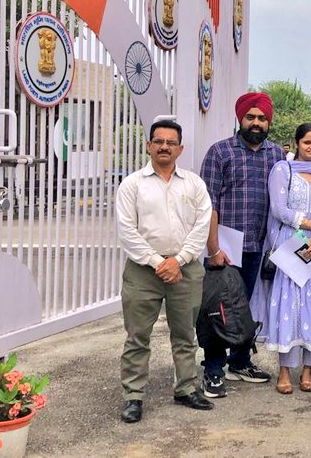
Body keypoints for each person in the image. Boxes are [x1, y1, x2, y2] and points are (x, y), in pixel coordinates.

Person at [116, 119, 214, 423]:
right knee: (137, 336)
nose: (164, 147)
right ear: (148, 145)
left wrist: (179, 259)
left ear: (180, 148)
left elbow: (202, 224)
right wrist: (160, 262)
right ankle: (133, 396)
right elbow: (126, 230)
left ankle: (185, 387)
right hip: (144, 271)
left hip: (185, 269)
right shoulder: (133, 184)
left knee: (185, 334)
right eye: (158, 141)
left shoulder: (194, 184)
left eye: (171, 143)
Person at [200, 92, 285, 398]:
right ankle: (212, 368)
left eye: (262, 118)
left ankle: (239, 361)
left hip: (258, 247)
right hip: (225, 246)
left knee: (246, 307)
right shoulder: (220, 153)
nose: (256, 123)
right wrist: (213, 250)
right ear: (240, 119)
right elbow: (208, 203)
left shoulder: (276, 156)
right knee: (217, 309)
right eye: (251, 117)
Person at [250, 123, 311, 394]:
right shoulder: (284, 170)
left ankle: (308, 371)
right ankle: (284, 371)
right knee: (289, 305)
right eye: (307, 143)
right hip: (293, 243)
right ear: (297, 143)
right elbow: (280, 210)